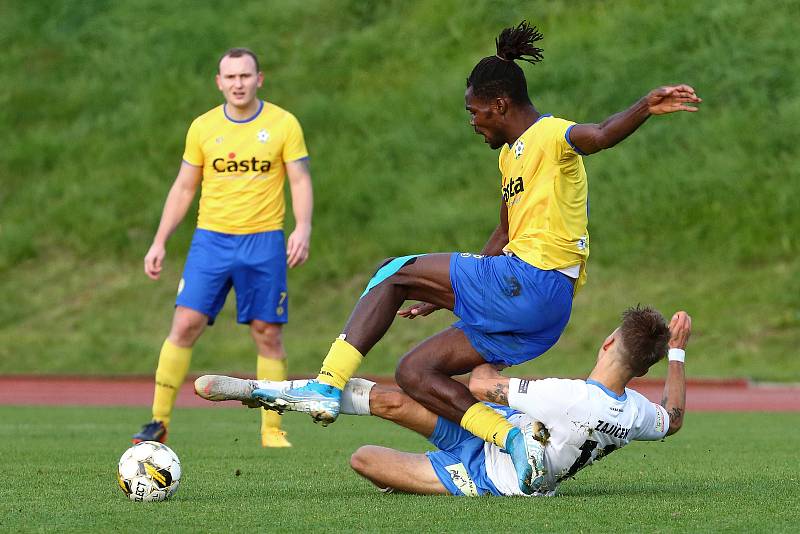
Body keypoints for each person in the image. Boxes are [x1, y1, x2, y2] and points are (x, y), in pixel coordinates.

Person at [251, 20, 701, 491]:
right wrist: (439, 292)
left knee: (392, 272)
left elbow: (602, 134)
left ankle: (326, 384)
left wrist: (646, 105)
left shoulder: (552, 136)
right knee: (415, 372)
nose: (472, 121)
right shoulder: (511, 157)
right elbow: (504, 231)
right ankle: (510, 437)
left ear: (499, 105)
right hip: (541, 309)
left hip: (531, 279)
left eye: (474, 111)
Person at [195, 306, 691, 496]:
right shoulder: (635, 414)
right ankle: (270, 394)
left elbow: (478, 383)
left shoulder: (563, 396)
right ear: (642, 366)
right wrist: (677, 353)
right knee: (391, 403)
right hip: (490, 427)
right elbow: (672, 419)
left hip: (494, 479)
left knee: (363, 459)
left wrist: (495, 338)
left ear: (607, 345)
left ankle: (292, 391)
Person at [132, 47, 313, 448]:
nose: (238, 84)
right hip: (211, 241)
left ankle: (271, 429)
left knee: (268, 333)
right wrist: (159, 241)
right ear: (219, 82)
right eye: (230, 77)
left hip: (264, 241)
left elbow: (299, 180)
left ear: (259, 79)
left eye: (245, 76)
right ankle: (157, 422)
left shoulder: (283, 124)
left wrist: (302, 228)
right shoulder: (203, 128)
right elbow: (183, 187)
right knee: (184, 325)